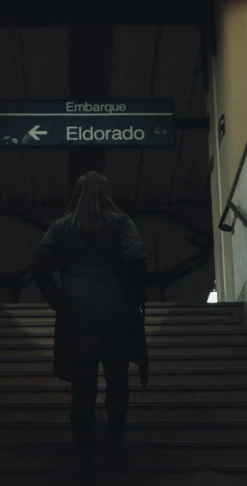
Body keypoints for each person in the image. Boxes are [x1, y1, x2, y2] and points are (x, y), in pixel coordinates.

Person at [31, 171, 148, 462]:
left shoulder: (60, 227)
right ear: (107, 194)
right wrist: (134, 295)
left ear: (77, 195)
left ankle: (83, 449)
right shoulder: (121, 222)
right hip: (116, 310)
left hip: (76, 313)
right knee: (117, 379)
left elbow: (39, 267)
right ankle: (116, 438)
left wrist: (59, 301)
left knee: (82, 385)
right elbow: (135, 258)